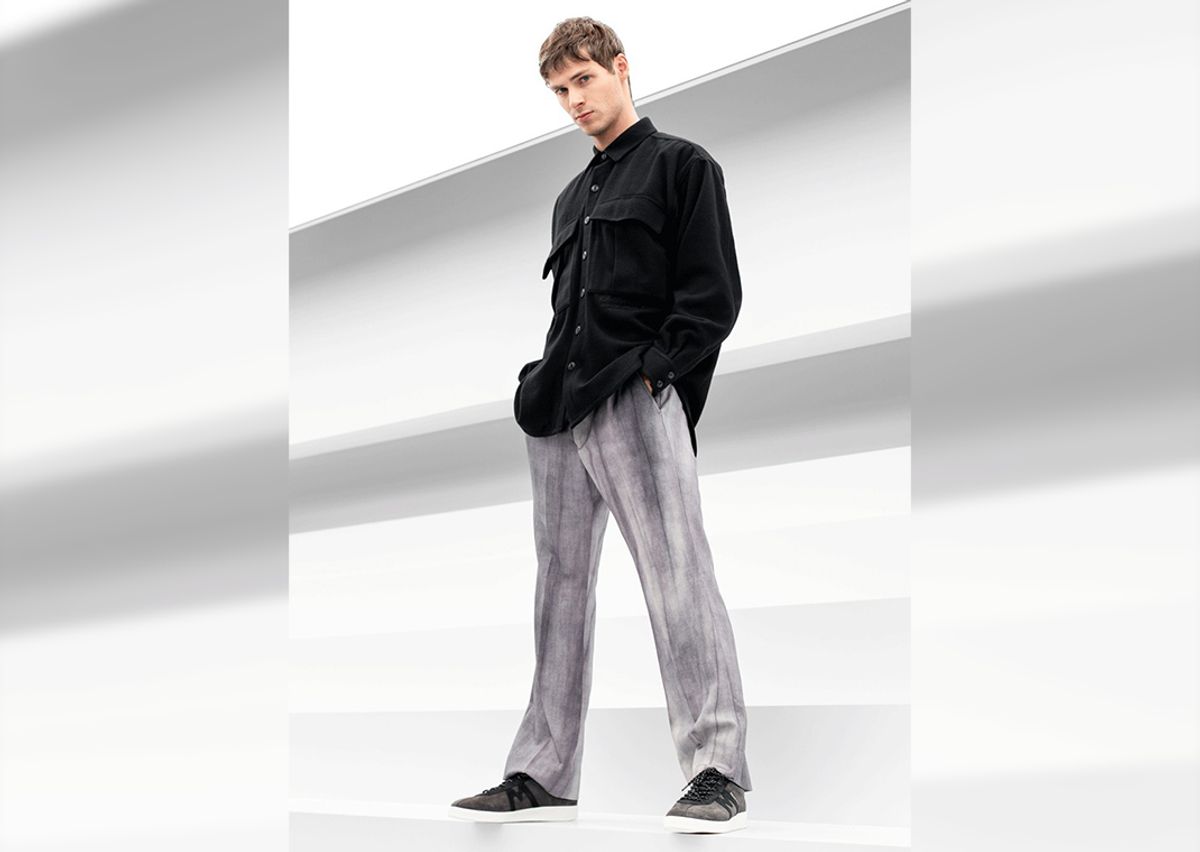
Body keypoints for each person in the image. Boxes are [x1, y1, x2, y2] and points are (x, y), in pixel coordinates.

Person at [448, 16, 751, 834]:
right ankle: (542, 772)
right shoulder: (569, 197)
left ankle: (717, 768)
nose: (573, 100)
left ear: (620, 68)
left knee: (678, 574)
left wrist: (659, 373)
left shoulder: (683, 165)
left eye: (583, 80)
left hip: (633, 394)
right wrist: (535, 384)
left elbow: (713, 296)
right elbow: (569, 309)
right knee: (558, 591)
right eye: (559, 90)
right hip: (560, 409)